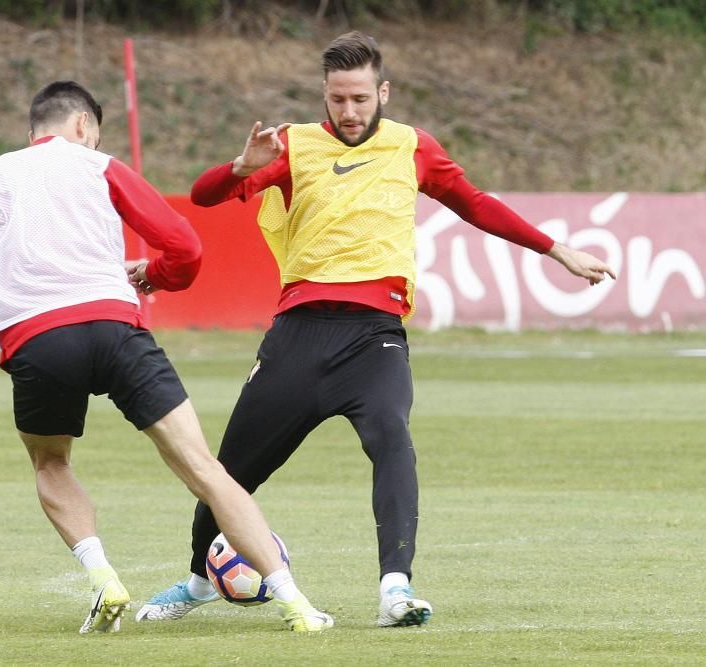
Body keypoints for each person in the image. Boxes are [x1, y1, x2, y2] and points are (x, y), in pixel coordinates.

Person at [136, 32, 616, 628]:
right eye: (339, 99)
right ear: (325, 95)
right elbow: (207, 197)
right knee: (228, 471)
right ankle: (199, 580)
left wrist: (556, 248)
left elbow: (474, 203)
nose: (350, 111)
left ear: (383, 92)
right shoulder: (292, 146)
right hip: (298, 334)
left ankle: (396, 589)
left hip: (375, 337)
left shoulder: (413, 147)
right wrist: (241, 166)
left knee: (392, 438)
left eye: (361, 98)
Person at [0, 81, 333, 634]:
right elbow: (185, 246)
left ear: (34, 132)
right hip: (114, 327)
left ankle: (104, 578)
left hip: (38, 340)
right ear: (83, 126)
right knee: (205, 470)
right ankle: (297, 603)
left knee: (51, 464)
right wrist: (159, 278)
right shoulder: (100, 166)